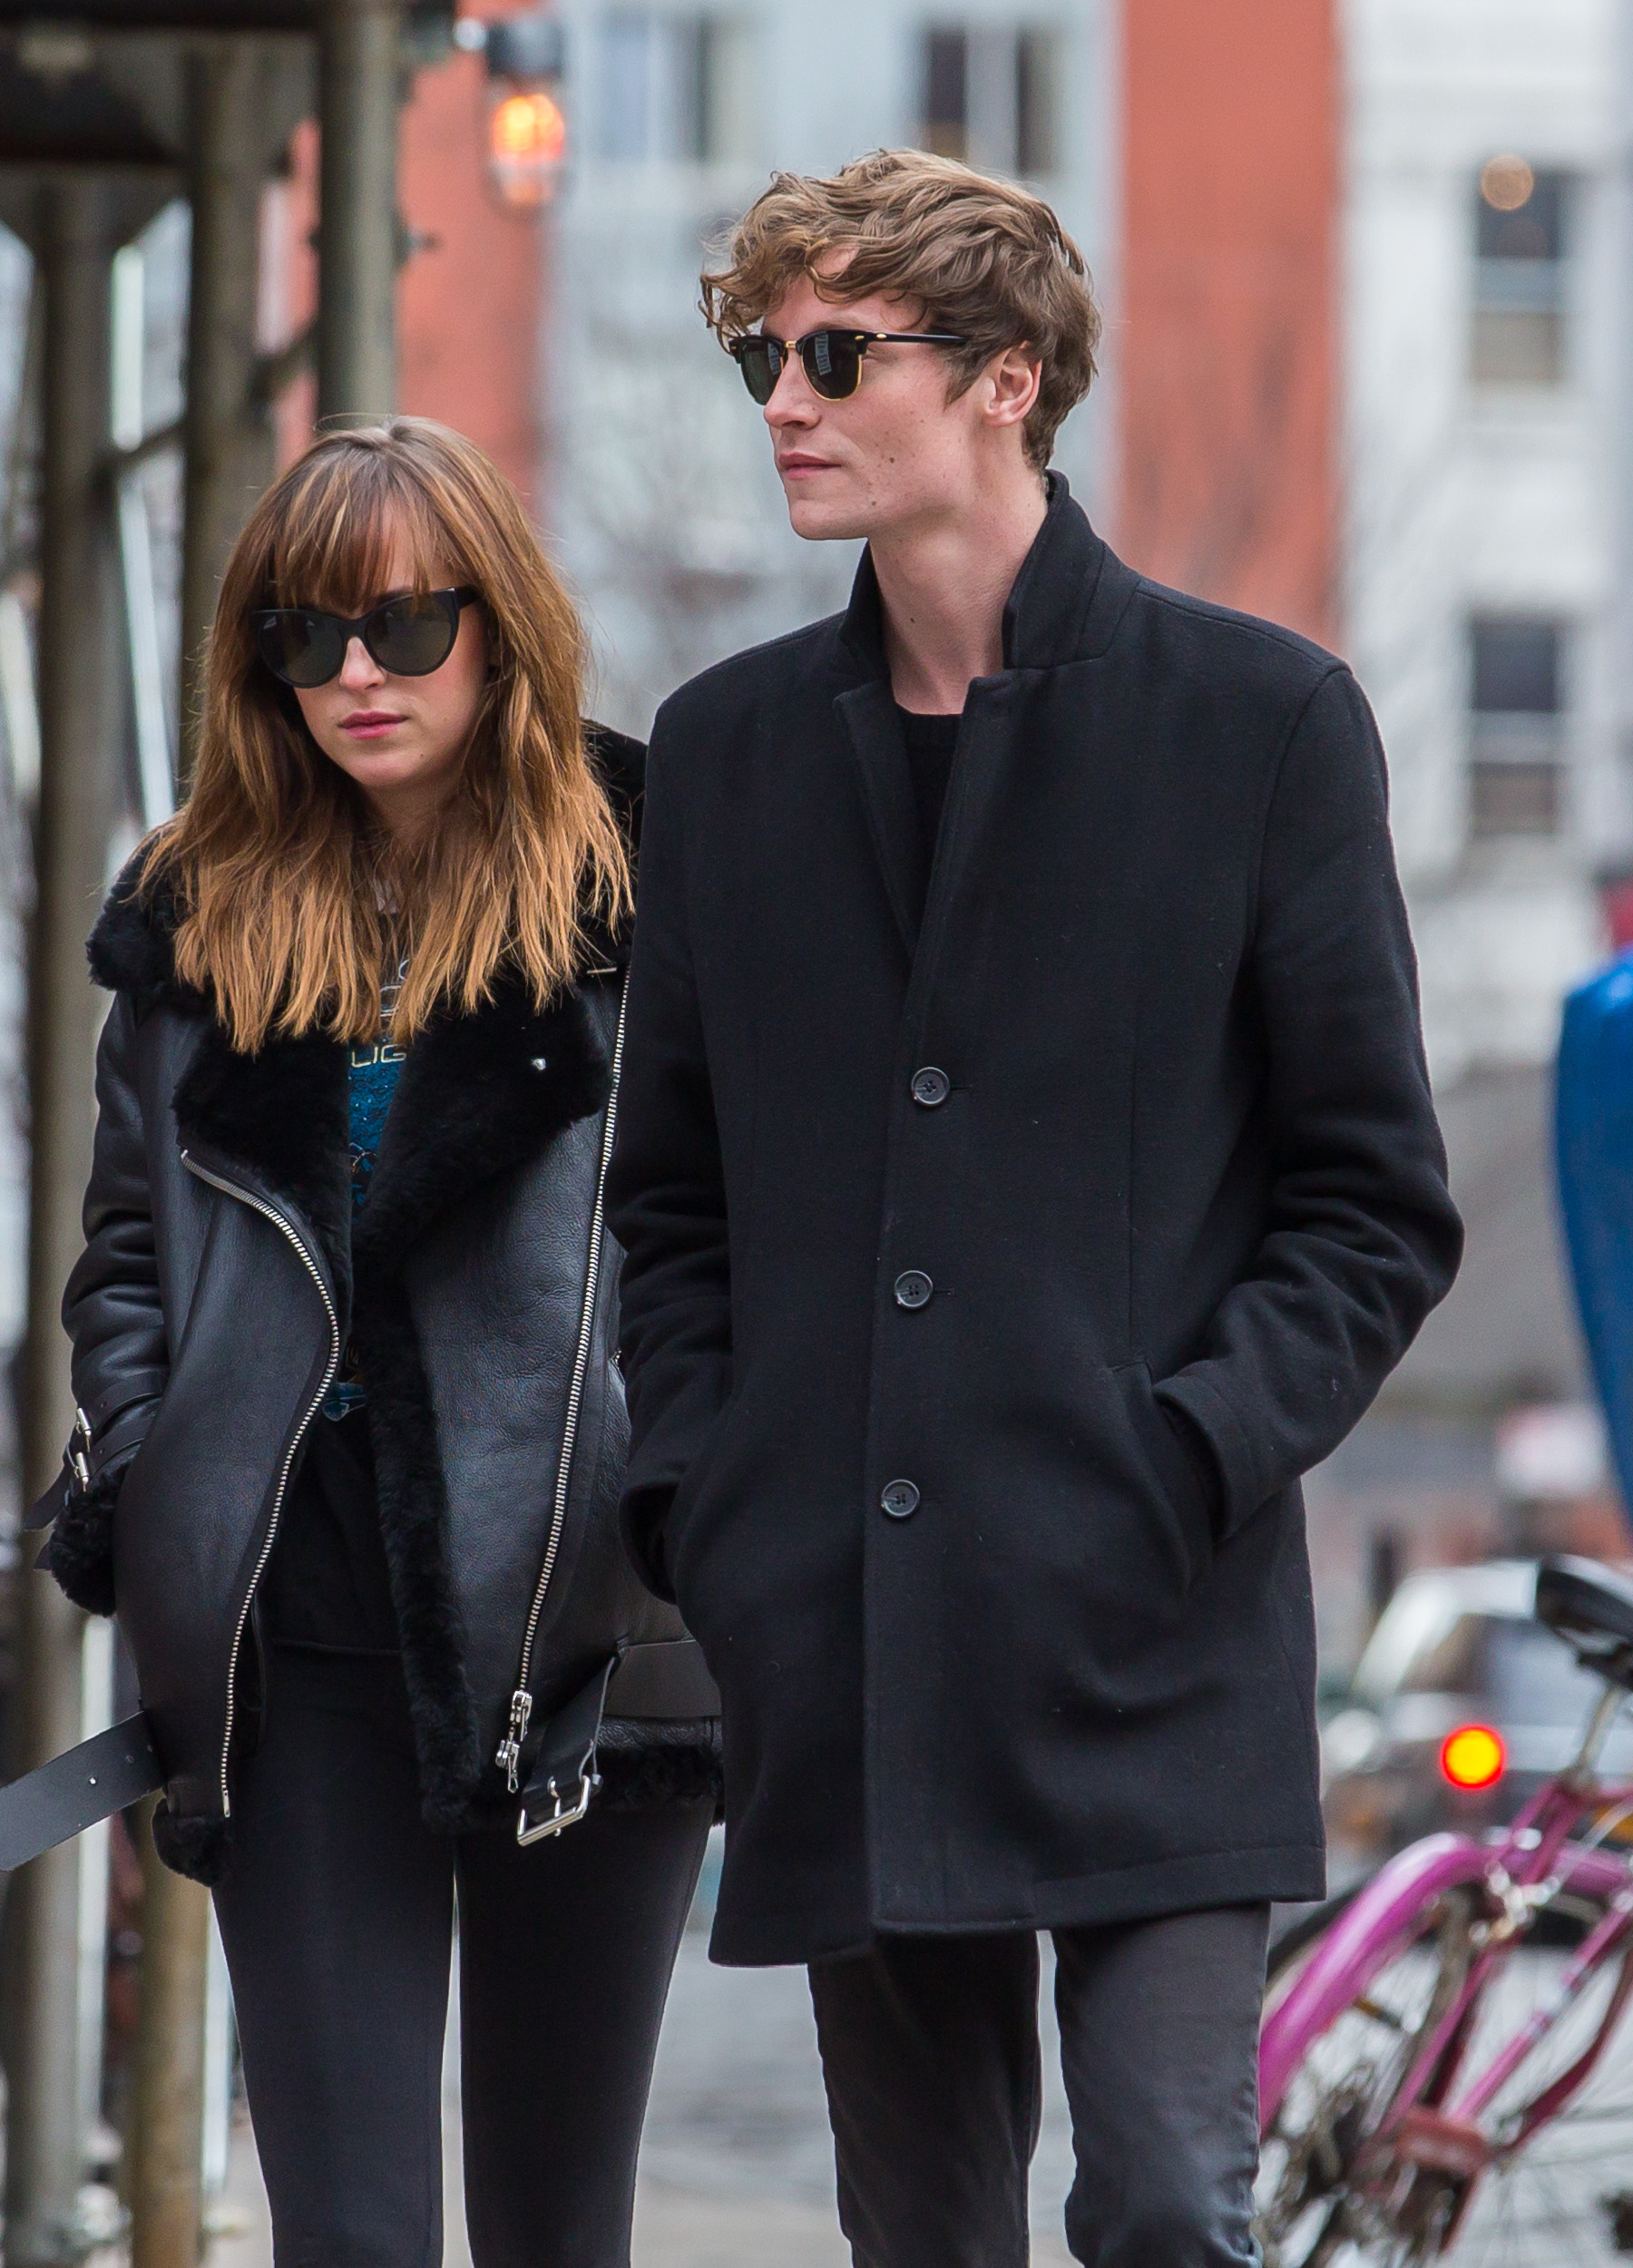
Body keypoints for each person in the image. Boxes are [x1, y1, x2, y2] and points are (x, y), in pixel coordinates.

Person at [606, 151, 1463, 2267]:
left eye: (834, 356)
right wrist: (711, 1496)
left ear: (1003, 377)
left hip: (1150, 1626)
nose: (781, 400)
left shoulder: (1257, 723)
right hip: (841, 1634)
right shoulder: (721, 756)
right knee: (924, 2233)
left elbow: (1370, 1199)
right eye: (757, 357)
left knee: (1164, 2201)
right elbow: (673, 1199)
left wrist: (1180, 1451)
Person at [35, 420, 719, 2268]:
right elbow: (127, 1256)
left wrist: (681, 1480)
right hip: (296, 1627)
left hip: (585, 1618)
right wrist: (149, 1472)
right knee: (345, 2230)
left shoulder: (653, 896)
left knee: (556, 2227)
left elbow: (722, 1235)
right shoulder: (195, 917)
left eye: (406, 625)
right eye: (304, 632)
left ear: (500, 628)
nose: (356, 673)